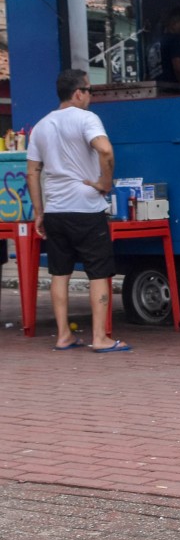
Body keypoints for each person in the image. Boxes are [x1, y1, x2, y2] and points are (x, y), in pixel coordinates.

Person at [26, 69, 130, 353]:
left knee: (59, 274)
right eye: (90, 91)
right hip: (86, 208)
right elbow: (105, 150)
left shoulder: (42, 126)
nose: (91, 97)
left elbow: (32, 172)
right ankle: (100, 338)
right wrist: (105, 183)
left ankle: (63, 335)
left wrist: (39, 212)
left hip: (56, 211)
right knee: (98, 274)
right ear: (78, 93)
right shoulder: (87, 119)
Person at [153, 7, 180, 88]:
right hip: (174, 91)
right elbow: (179, 67)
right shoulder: (177, 40)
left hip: (157, 92)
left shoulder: (154, 44)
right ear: (173, 24)